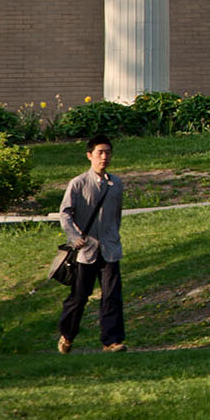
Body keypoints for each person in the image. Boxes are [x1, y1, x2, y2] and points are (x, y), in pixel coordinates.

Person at [57, 133, 126, 354]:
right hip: (85, 251)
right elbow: (65, 214)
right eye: (99, 153)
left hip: (110, 250)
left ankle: (112, 341)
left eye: (108, 152)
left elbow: (117, 215)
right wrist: (73, 236)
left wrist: (114, 236)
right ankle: (67, 335)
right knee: (78, 298)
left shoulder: (116, 184)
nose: (104, 157)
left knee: (112, 296)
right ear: (90, 156)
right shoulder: (77, 184)